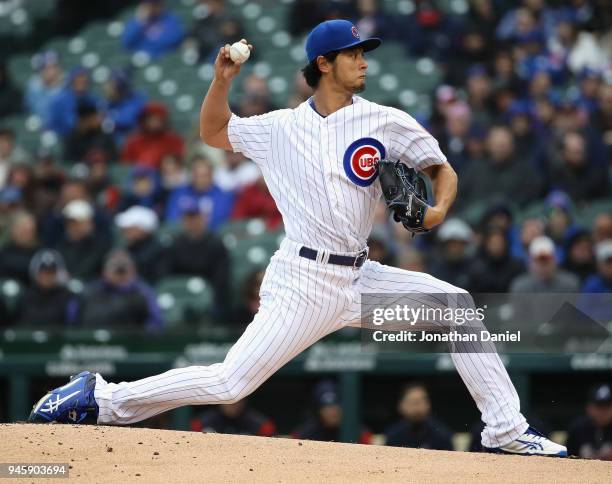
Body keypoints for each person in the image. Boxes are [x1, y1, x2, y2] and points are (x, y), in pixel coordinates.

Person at [28, 20, 567, 456]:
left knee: (457, 307)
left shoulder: (383, 120)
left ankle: (505, 430)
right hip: (303, 283)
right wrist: (221, 82)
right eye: (354, 53)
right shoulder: (280, 128)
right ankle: (103, 399)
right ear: (324, 64)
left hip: (361, 275)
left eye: (364, 52)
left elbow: (440, 168)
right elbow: (214, 132)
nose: (364, 60)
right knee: (230, 384)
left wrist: (435, 213)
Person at [164, 197, 230, 316]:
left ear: (204, 218)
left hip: (208, 299)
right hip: (181, 295)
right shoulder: (174, 244)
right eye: (188, 217)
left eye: (195, 217)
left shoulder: (216, 244)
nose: (192, 221)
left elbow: (221, 280)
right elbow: (167, 275)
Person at [79, 249, 163, 332]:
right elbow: (73, 323)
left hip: (130, 342)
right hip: (91, 342)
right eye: (115, 266)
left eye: (124, 267)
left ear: (134, 270)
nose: (119, 272)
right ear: (104, 270)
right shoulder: (90, 291)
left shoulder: (143, 293)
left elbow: (156, 324)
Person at [164, 157, 234, 229]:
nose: (200, 180)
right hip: (181, 237)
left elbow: (220, 223)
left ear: (211, 175)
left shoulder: (223, 197)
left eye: (204, 176)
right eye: (196, 175)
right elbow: (171, 219)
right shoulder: (179, 193)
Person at [292, 380, 372, 444]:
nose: (331, 412)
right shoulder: (305, 433)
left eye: (335, 406)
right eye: (326, 408)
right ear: (318, 411)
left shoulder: (359, 432)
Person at [15, 249, 79, 327]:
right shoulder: (26, 298)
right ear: (36, 274)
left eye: (51, 273)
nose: (47, 277)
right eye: (43, 272)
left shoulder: (68, 298)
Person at [384, 383, 453, 450]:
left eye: (421, 401)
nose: (417, 407)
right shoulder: (394, 435)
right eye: (412, 402)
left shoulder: (441, 434)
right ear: (400, 405)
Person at [56, 199, 111, 282]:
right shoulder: (60, 247)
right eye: (69, 223)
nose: (73, 227)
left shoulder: (102, 247)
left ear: (89, 223)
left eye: (77, 223)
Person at [121, 102, 184, 169]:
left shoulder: (174, 140)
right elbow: (126, 166)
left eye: (158, 119)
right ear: (144, 120)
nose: (155, 123)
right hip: (140, 177)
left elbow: (179, 163)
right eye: (151, 119)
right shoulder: (133, 141)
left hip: (166, 176)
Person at [115, 205, 165, 284]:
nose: (125, 232)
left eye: (130, 228)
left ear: (143, 229)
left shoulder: (159, 250)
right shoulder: (128, 247)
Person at [47, 67, 100, 137]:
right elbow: (75, 125)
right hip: (60, 138)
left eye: (84, 82)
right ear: (71, 82)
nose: (81, 85)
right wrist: (93, 122)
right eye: (78, 81)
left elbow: (102, 116)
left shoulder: (90, 98)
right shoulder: (61, 100)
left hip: (82, 139)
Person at [566, 384, 612, 460]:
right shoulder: (578, 428)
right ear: (589, 408)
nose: (603, 412)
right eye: (599, 406)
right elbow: (567, 457)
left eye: (607, 406)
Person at [190, 399, 276, 437]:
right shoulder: (203, 421)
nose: (233, 405)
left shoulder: (259, 424)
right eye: (229, 400)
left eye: (237, 400)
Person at [0, 211, 40, 285]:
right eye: (24, 230)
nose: (29, 235)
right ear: (13, 230)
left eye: (31, 230)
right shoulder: (4, 252)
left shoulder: (40, 252)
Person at [25, 51, 63, 123]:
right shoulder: (34, 88)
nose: (52, 71)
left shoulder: (68, 84)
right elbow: (41, 112)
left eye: (54, 66)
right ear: (40, 71)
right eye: (47, 68)